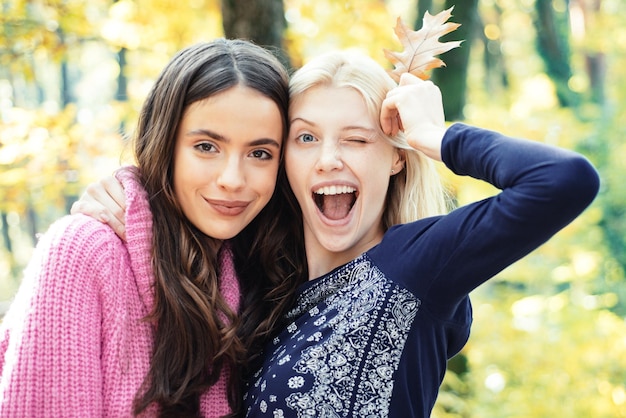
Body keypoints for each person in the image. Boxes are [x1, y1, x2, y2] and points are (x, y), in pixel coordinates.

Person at [73, 50, 600, 417]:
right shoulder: (262, 286)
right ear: (283, 158)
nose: (329, 159)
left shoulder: (415, 267)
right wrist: (127, 195)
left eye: (356, 139)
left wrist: (432, 135)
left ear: (395, 158)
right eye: (306, 139)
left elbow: (562, 180)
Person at [0, 38, 303, 417]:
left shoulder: (259, 272)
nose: (232, 179)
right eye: (207, 146)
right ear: (165, 143)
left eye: (260, 153)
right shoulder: (82, 252)